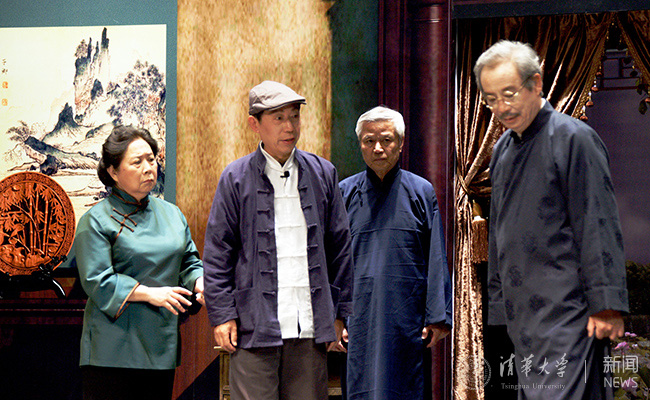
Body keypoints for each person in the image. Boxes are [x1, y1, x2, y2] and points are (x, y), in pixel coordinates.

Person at [475, 40, 629, 399]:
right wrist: (498, 307)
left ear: (536, 83)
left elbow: (597, 222)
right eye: (491, 99)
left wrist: (606, 304)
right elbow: (499, 234)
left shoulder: (574, 138)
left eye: (509, 94)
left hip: (569, 310)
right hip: (523, 318)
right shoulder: (502, 150)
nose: (501, 108)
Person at [203, 80, 353, 400]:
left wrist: (339, 314)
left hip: (309, 327)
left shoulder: (323, 173)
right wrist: (223, 315)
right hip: (254, 327)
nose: (290, 127)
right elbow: (217, 253)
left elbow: (340, 248)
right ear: (254, 124)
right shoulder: (235, 177)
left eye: (295, 116)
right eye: (279, 118)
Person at [74, 125, 205, 400]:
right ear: (113, 171)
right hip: (111, 351)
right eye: (137, 162)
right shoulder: (95, 220)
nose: (148, 168)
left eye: (151, 159)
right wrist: (150, 294)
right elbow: (97, 280)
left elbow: (189, 261)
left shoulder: (172, 214)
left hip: (160, 343)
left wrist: (199, 282)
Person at [338, 106, 452, 400]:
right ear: (360, 144)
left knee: (406, 387)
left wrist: (436, 317)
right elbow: (332, 261)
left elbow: (435, 257)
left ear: (400, 143)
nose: (378, 148)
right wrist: (334, 319)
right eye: (369, 140)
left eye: (386, 140)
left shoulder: (421, 192)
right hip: (359, 317)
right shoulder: (343, 193)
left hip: (406, 316)